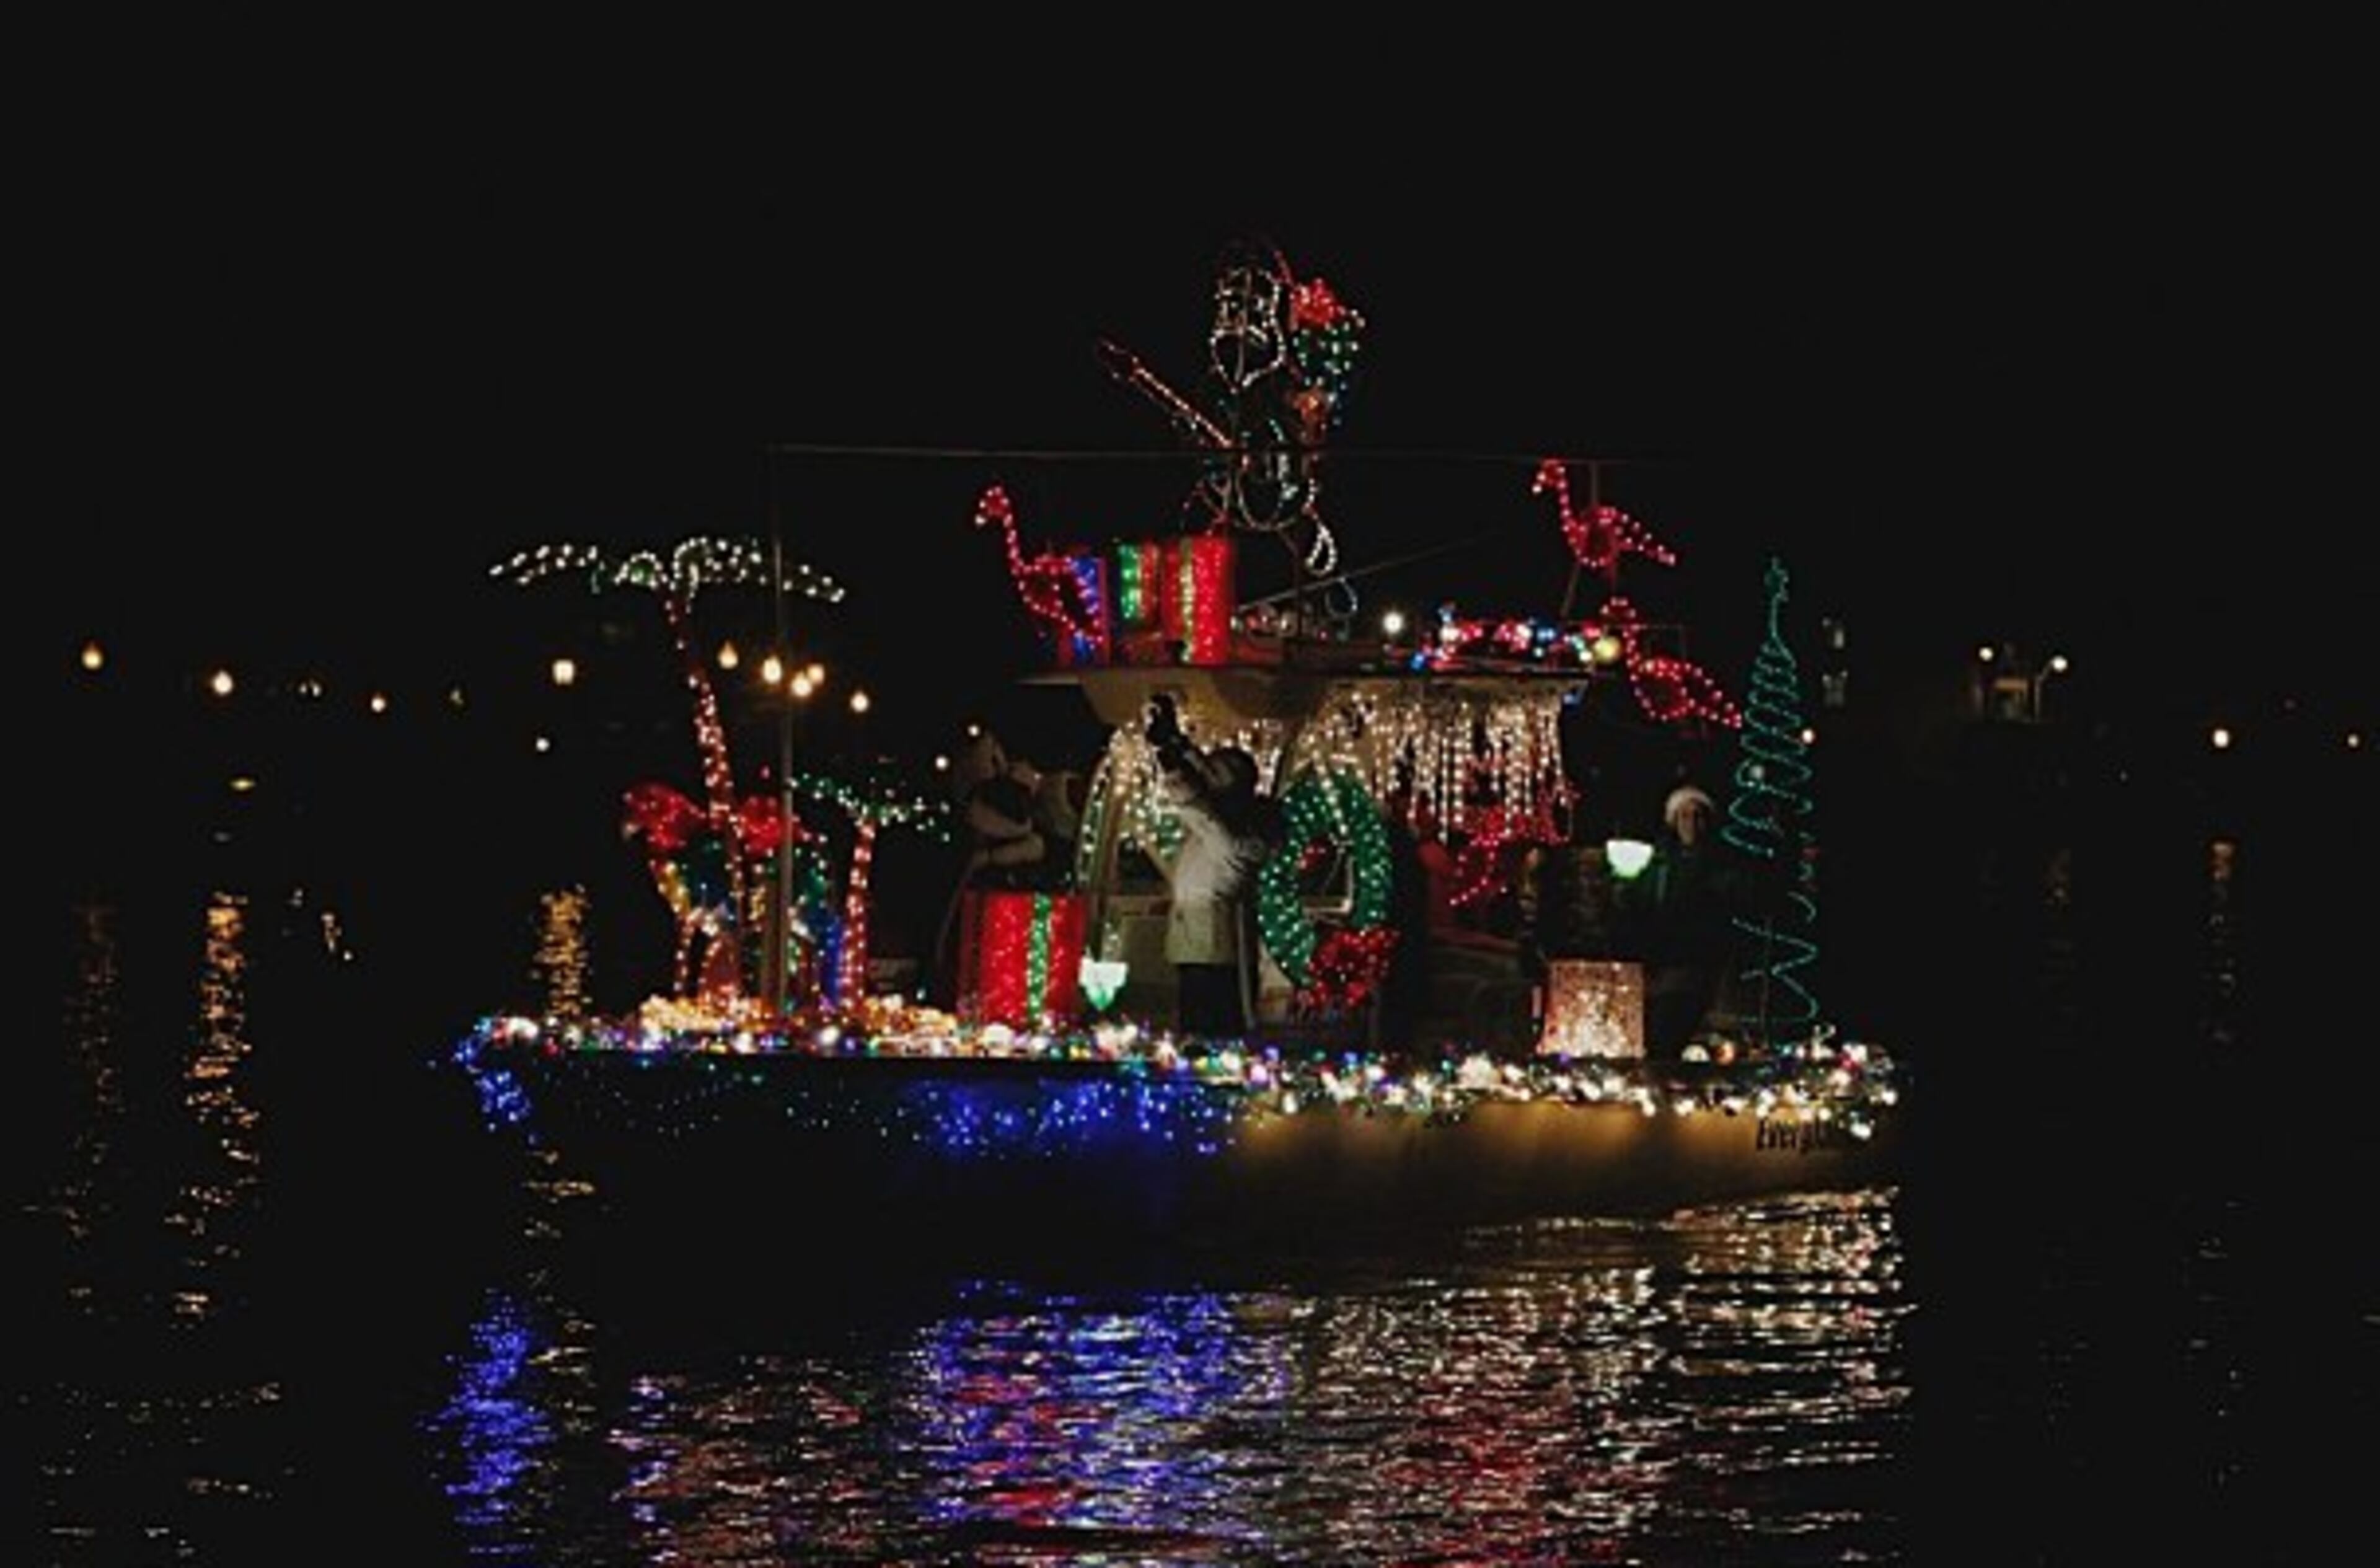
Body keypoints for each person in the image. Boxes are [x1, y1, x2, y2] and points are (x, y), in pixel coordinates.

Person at [1143, 692, 1282, 1038]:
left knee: (1215, 1029)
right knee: (1193, 1026)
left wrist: (1173, 761)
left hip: (1219, 950)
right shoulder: (1228, 822)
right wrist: (1175, 745)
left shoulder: (1243, 838)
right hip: (1194, 943)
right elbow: (1204, 781)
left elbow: (1200, 808)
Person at [1620, 782, 1737, 1060]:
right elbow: (1640, 909)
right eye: (1685, 816)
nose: (1692, 824)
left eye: (1698, 816)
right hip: (1656, 964)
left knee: (1673, 1034)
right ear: (1674, 821)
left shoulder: (1718, 865)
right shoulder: (1659, 862)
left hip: (1694, 967)